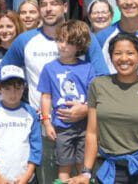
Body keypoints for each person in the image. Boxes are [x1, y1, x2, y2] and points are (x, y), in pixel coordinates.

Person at [0, 0, 110, 183]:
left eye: (54, 3)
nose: (49, 8)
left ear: (65, 7)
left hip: (83, 129)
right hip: (44, 131)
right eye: (43, 4)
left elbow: (102, 79)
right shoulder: (25, 40)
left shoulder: (84, 37)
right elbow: (3, 72)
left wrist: (86, 109)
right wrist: (20, 101)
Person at [70, 33, 138, 184]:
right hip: (107, 170)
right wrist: (86, 172)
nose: (124, 58)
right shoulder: (98, 86)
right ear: (111, 58)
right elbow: (92, 133)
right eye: (117, 53)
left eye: (130, 53)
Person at [38, 20, 96, 182]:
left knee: (83, 164)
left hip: (85, 125)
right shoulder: (49, 68)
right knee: (64, 165)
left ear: (79, 46)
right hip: (62, 126)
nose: (62, 45)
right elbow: (46, 96)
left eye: (69, 42)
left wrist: (84, 109)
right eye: (60, 40)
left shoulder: (88, 68)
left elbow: (93, 96)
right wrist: (47, 122)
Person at [0, 65, 42, 184]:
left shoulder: (30, 113)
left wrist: (27, 175)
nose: (13, 94)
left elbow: (36, 147)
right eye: (7, 88)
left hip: (25, 178)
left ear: (24, 88)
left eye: (17, 88)